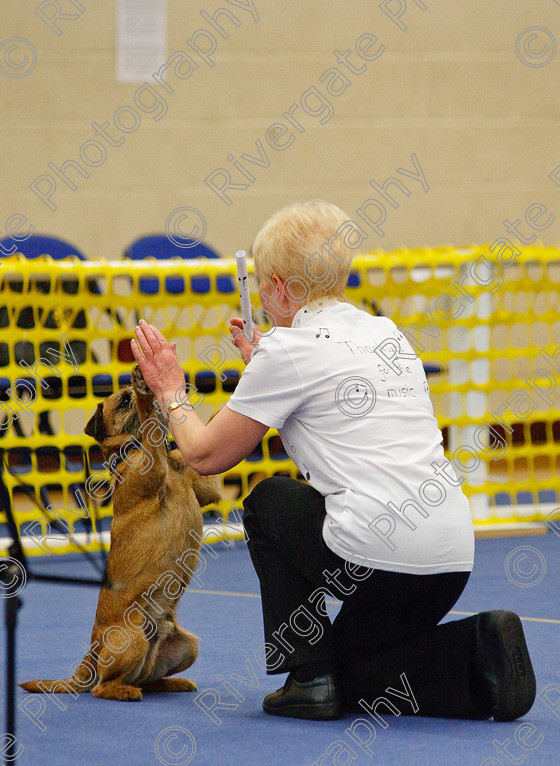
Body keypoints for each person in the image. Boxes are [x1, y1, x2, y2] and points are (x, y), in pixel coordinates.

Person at [131, 200, 536, 722]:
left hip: (375, 561)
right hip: (450, 558)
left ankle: (306, 674)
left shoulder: (288, 352)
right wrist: (264, 374)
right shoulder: (386, 333)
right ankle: (477, 650)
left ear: (277, 288)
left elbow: (205, 455)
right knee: (360, 675)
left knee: (269, 501)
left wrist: (171, 389)